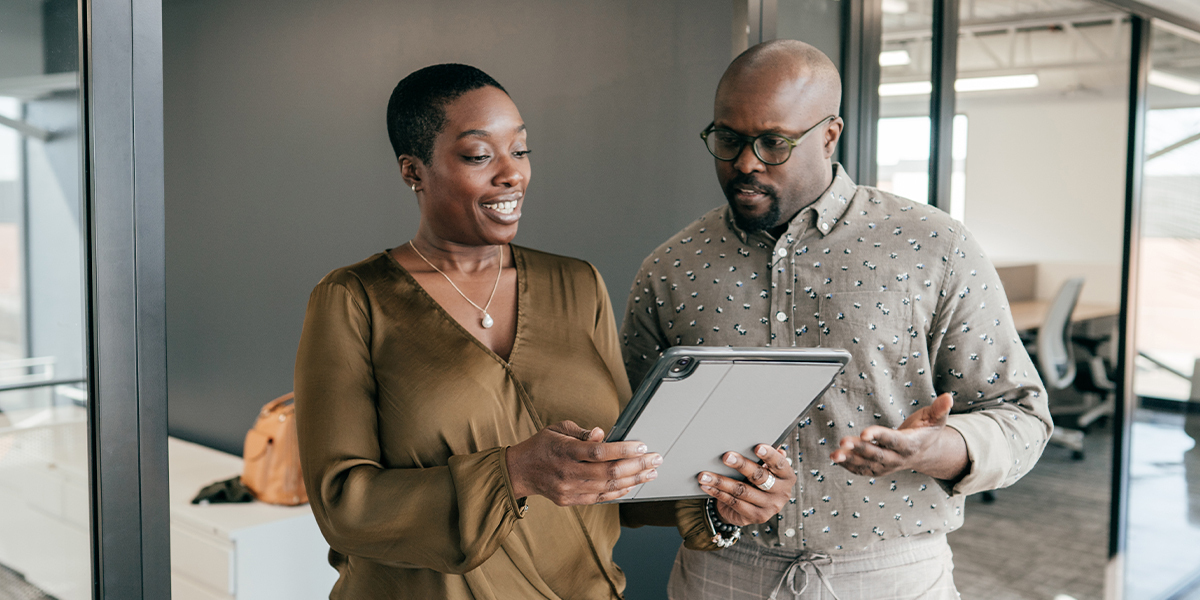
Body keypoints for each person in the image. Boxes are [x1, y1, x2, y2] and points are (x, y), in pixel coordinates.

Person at [621, 40, 1052, 599]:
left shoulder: (934, 246)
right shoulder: (671, 268)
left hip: (891, 576)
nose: (745, 162)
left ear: (829, 134)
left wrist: (938, 448)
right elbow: (629, 454)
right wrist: (711, 500)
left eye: (773, 142)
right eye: (727, 139)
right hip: (720, 574)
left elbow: (1021, 416)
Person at [293, 64, 670, 599]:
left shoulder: (577, 283)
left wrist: (718, 495)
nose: (511, 174)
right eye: (478, 155)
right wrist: (514, 472)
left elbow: (615, 470)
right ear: (413, 171)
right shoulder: (354, 300)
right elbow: (342, 506)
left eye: (520, 150)